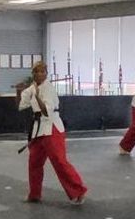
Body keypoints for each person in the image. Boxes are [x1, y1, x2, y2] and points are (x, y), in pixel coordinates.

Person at [19, 61, 88, 204]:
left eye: (42, 71)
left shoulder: (48, 88)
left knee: (59, 161)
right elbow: (21, 106)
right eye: (37, 71)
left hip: (52, 127)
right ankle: (34, 194)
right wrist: (19, 91)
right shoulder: (32, 88)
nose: (40, 74)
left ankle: (78, 191)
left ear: (46, 73)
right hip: (38, 129)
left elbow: (45, 111)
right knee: (34, 162)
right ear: (33, 74)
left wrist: (37, 96)